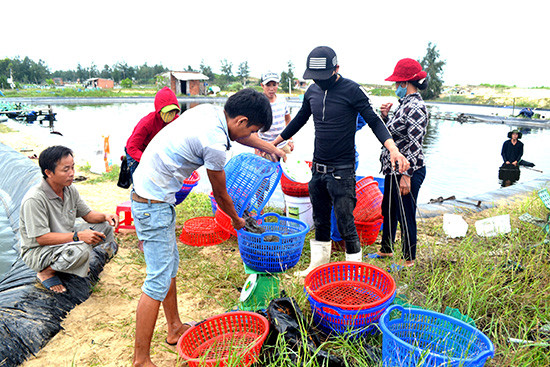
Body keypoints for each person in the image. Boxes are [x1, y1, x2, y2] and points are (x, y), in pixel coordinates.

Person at [130, 88, 285, 367]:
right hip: (151, 204)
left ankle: (174, 327)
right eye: (252, 129)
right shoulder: (215, 142)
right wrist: (238, 221)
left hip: (155, 195)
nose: (250, 136)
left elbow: (245, 136)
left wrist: (272, 148)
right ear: (240, 120)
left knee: (169, 268)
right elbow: (221, 193)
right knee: (157, 280)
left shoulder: (209, 111)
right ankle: (140, 360)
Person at [271, 46, 409, 276]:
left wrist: (393, 149)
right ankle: (317, 266)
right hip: (317, 168)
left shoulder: (352, 90)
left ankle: (354, 272)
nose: (319, 82)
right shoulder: (312, 92)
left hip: (342, 170)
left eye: (323, 76)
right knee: (321, 220)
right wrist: (272, 144)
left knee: (346, 224)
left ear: (336, 68)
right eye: (315, 77)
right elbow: (298, 121)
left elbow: (374, 121)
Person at [19, 145, 119, 294]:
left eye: (73, 167)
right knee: (81, 248)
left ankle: (72, 260)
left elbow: (88, 215)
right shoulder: (34, 199)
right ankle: (46, 272)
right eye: (66, 170)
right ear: (48, 173)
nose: (72, 173)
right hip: (39, 251)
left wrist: (105, 216)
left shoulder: (69, 190)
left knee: (104, 226)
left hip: (64, 240)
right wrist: (77, 237)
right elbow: (41, 238)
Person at [373, 58, 428, 269]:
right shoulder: (404, 105)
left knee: (406, 215)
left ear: (406, 83)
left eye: (397, 84)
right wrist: (386, 117)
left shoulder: (416, 107)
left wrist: (407, 175)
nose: (396, 87)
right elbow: (396, 135)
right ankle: (386, 249)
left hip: (408, 171)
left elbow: (414, 143)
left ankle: (409, 259)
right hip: (393, 169)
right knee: (389, 209)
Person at [125, 86, 181, 181]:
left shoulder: (176, 122)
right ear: (159, 110)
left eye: (173, 111)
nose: (170, 115)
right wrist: (149, 161)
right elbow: (132, 147)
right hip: (137, 152)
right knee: (140, 184)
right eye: (167, 111)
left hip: (154, 152)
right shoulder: (147, 123)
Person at [254, 71, 293, 161]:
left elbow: (288, 120)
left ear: (278, 85)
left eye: (274, 85)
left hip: (283, 144)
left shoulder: (282, 100)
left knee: (289, 170)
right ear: (262, 85)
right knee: (266, 172)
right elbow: (253, 129)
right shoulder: (258, 103)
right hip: (265, 147)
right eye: (268, 85)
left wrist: (290, 139)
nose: (271, 88)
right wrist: (257, 148)